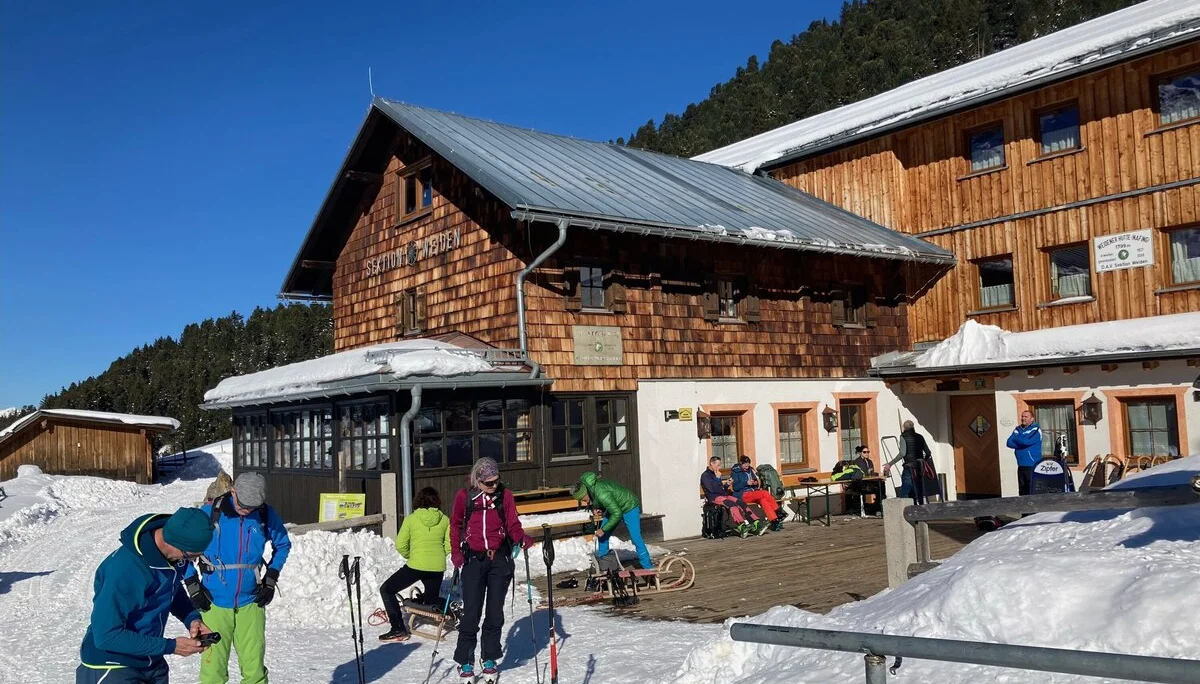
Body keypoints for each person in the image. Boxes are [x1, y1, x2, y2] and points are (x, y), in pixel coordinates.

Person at [77, 507, 215, 684]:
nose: (190, 561)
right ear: (175, 543)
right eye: (191, 556)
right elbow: (106, 636)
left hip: (150, 661)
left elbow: (171, 587)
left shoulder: (172, 557)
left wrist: (192, 618)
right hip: (112, 665)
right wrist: (170, 646)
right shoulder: (124, 570)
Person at [187, 472, 292, 684]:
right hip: (213, 603)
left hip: (251, 602)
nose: (247, 511)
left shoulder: (265, 514)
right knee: (212, 671)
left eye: (252, 507)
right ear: (233, 492)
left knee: (255, 671)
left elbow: (282, 545)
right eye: (243, 505)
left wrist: (270, 579)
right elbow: (182, 551)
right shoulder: (209, 514)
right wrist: (193, 587)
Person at [450, 457, 534, 682]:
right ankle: (465, 660)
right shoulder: (465, 496)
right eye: (489, 483)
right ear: (478, 480)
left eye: (496, 481)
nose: (494, 485)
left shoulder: (505, 495)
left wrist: (521, 538)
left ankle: (489, 657)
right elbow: (455, 524)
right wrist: (456, 552)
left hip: (499, 559)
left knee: (495, 612)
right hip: (473, 560)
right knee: (471, 612)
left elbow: (512, 524)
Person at [378, 486, 451, 643]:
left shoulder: (411, 519)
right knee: (431, 600)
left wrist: (411, 556)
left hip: (416, 565)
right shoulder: (445, 519)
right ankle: (453, 608)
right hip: (437, 567)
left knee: (387, 589)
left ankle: (398, 628)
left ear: (418, 500)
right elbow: (449, 544)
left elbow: (400, 544)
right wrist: (438, 556)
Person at [571, 471, 655, 569]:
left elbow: (617, 514)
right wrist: (600, 509)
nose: (585, 502)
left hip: (629, 506)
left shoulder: (601, 493)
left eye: (584, 499)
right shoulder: (592, 490)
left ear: (586, 493)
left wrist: (603, 529)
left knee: (635, 537)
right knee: (602, 536)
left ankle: (648, 566)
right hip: (616, 508)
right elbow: (605, 503)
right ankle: (605, 564)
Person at [699, 456, 762, 536]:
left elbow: (721, 489)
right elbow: (713, 490)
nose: (719, 467)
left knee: (741, 503)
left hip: (724, 495)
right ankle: (741, 525)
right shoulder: (705, 475)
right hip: (714, 498)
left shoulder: (716, 474)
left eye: (720, 465)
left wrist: (727, 484)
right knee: (732, 505)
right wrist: (718, 479)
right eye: (718, 465)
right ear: (712, 464)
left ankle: (755, 522)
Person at [884, 421, 933, 505]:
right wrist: (924, 460)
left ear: (904, 427)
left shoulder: (903, 437)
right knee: (918, 488)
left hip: (909, 466)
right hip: (919, 467)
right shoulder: (920, 437)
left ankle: (904, 508)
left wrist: (890, 463)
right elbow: (928, 452)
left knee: (905, 489)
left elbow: (902, 453)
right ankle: (920, 507)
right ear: (913, 427)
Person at [730, 456, 784, 531]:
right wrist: (746, 483)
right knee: (764, 493)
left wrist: (755, 483)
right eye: (745, 465)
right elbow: (735, 488)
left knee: (764, 500)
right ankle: (778, 512)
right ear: (741, 463)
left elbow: (755, 481)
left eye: (748, 465)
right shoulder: (735, 472)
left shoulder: (750, 470)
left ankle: (774, 521)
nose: (747, 467)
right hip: (743, 494)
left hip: (752, 492)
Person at [1007, 410, 1043, 496]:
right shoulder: (1018, 429)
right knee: (1022, 490)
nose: (1023, 418)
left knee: (1031, 490)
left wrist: (1017, 438)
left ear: (1032, 419)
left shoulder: (1036, 430)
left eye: (1026, 417)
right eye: (1022, 416)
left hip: (1032, 465)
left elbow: (1026, 442)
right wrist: (1021, 442)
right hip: (1021, 465)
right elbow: (1009, 443)